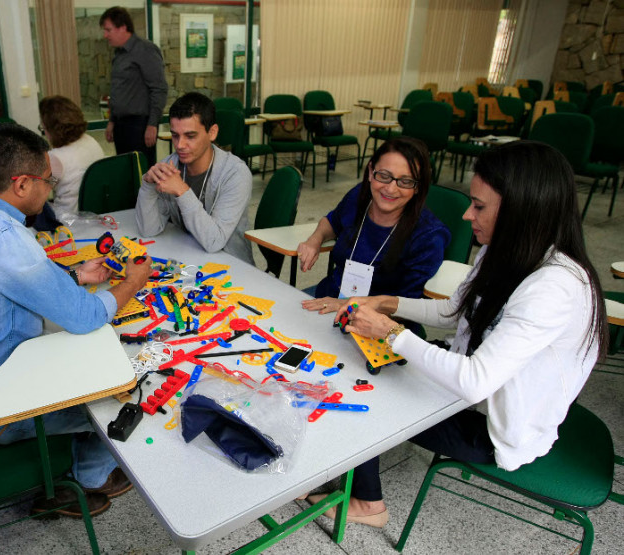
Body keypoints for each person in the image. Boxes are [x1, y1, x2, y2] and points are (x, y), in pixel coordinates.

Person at [310, 141, 607, 528]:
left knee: (367, 396)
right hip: (469, 389)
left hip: (490, 425)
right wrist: (386, 302)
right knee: (354, 362)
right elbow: (453, 310)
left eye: (479, 206)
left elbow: (474, 381)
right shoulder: (506, 248)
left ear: (521, 209)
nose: (467, 215)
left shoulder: (553, 287)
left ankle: (369, 505)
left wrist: (391, 332)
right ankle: (338, 463)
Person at [0, 122, 153, 517]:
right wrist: (134, 282)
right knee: (120, 396)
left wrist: (74, 275)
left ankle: (76, 467)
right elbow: (86, 316)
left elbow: (5, 283)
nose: (49, 190)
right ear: (20, 185)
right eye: (47, 181)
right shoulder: (5, 239)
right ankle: (86, 480)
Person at [298, 137, 450, 315]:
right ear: (371, 172)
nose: (391, 189)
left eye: (406, 181)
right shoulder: (359, 196)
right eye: (384, 176)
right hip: (330, 295)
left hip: (376, 321)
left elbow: (409, 307)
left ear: (418, 187)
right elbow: (332, 222)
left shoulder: (428, 236)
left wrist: (349, 305)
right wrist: (314, 240)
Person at [135, 92, 254, 264]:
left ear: (212, 133)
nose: (180, 145)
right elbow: (148, 230)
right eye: (175, 135)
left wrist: (182, 190)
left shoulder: (236, 174)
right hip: (187, 259)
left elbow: (214, 242)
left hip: (232, 265)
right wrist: (147, 186)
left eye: (190, 136)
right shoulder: (169, 165)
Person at [100, 6, 167, 169]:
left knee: (142, 173)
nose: (105, 35)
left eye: (108, 30)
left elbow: (159, 89)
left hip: (140, 126)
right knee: (125, 171)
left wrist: (152, 124)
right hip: (121, 125)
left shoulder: (146, 50)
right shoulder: (119, 54)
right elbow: (119, 91)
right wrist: (111, 122)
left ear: (123, 27)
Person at [39, 95, 105, 219]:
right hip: (97, 214)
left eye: (43, 128)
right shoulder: (91, 141)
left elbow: (42, 191)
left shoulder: (56, 158)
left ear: (51, 129)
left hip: (68, 220)